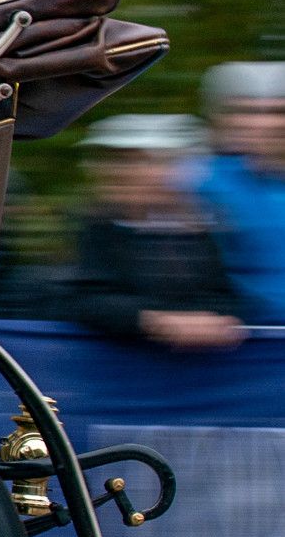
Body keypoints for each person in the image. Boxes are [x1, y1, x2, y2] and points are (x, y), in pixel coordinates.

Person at [67, 115, 244, 350]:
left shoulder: (203, 227)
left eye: (138, 162)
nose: (122, 173)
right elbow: (85, 300)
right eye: (120, 163)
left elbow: (224, 296)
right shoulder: (101, 228)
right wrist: (154, 321)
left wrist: (213, 321)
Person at [188, 61, 285, 324]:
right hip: (240, 342)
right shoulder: (196, 180)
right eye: (245, 110)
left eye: (278, 111)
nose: (264, 123)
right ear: (219, 117)